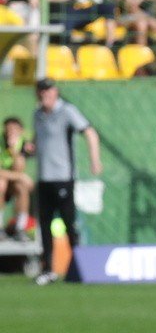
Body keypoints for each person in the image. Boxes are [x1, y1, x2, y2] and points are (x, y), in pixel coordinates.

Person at [29, 80, 101, 285]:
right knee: (44, 225)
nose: (45, 94)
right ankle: (48, 269)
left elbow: (89, 132)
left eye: (48, 90)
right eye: (41, 90)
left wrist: (95, 160)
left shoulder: (67, 111)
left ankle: (79, 266)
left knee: (69, 224)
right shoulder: (37, 115)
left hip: (63, 177)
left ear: (55, 92)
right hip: (43, 178)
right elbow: (38, 140)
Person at [1, 116, 33, 238]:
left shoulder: (25, 145)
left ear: (21, 131)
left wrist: (13, 150)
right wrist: (20, 176)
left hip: (14, 184)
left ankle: (20, 228)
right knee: (1, 184)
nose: (11, 133)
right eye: (8, 130)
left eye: (14, 130)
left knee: (22, 187)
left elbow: (20, 166)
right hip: (3, 184)